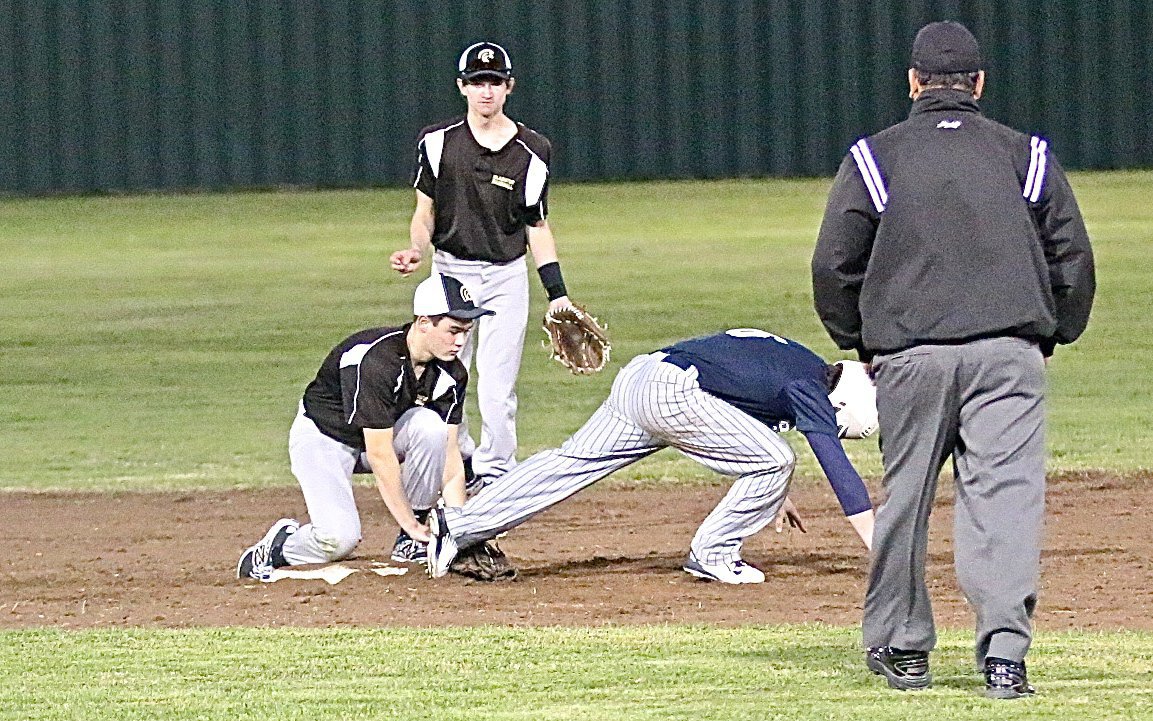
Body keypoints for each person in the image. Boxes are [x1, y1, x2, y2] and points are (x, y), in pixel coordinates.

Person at [811, 21, 1095, 699]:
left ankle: (904, 650)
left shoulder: (874, 157)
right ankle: (1003, 659)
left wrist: (862, 340)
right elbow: (1071, 257)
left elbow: (832, 264)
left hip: (910, 355)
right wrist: (1051, 332)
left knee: (906, 499)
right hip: (1008, 354)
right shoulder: (1023, 154)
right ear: (978, 84)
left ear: (912, 83)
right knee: (1003, 503)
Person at [425, 328, 880, 585]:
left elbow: (740, 392)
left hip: (644, 376)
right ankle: (714, 554)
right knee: (776, 460)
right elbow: (839, 473)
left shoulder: (801, 360)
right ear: (842, 405)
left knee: (572, 462)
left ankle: (458, 525)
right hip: (674, 393)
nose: (831, 427)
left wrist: (771, 493)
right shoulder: (812, 389)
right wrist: (881, 548)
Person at [390, 41, 576, 491]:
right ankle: (462, 459)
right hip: (452, 271)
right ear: (462, 87)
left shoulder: (534, 150)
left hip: (506, 275)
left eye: (493, 82)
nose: (485, 91)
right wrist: (417, 248)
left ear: (509, 87)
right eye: (476, 82)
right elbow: (425, 210)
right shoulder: (437, 143)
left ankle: (497, 475)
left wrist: (558, 293)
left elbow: (536, 225)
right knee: (449, 373)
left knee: (497, 387)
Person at [236, 275, 494, 580]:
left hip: (373, 439)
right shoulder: (376, 361)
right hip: (324, 438)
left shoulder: (452, 375)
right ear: (424, 323)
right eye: (453, 331)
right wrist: (410, 522)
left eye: (466, 331)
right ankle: (280, 547)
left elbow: (450, 457)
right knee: (337, 540)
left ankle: (410, 545)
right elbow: (381, 453)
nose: (461, 342)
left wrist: (462, 528)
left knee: (430, 428)